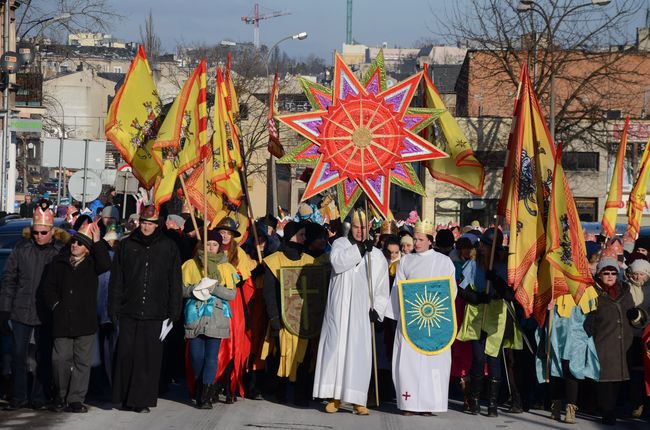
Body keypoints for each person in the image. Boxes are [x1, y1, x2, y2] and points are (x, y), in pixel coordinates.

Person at [312, 210, 390, 415]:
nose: (359, 231)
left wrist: (378, 309)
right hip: (339, 308)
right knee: (336, 349)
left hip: (360, 311)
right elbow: (338, 263)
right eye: (356, 227)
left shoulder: (377, 254)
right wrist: (360, 249)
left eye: (363, 228)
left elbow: (381, 285)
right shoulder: (340, 244)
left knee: (358, 352)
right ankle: (335, 396)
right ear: (351, 228)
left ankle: (357, 399)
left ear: (369, 229)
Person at [108, 205, 182, 413]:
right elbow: (117, 280)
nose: (146, 227)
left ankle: (141, 401)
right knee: (126, 355)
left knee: (147, 359)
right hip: (129, 310)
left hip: (155, 312)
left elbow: (174, 281)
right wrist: (113, 308)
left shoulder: (168, 247)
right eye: (143, 223)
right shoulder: (126, 245)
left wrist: (173, 312)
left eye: (150, 223)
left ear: (157, 224)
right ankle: (122, 397)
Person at [0, 203, 70, 410]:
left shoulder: (59, 253)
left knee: (44, 357)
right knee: (18, 356)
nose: (38, 236)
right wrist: (4, 310)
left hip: (46, 314)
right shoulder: (21, 250)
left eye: (43, 232)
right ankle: (19, 396)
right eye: (35, 232)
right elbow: (9, 280)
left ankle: (40, 396)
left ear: (52, 232)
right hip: (21, 311)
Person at [385, 219, 456, 415]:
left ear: (430, 240)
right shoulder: (406, 261)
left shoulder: (444, 262)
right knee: (410, 364)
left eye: (420, 239)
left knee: (433, 363)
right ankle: (410, 404)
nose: (416, 243)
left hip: (435, 321)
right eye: (414, 239)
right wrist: (396, 316)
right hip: (411, 321)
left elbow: (451, 292)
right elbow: (398, 288)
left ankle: (430, 404)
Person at [42, 222, 111, 413]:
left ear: (87, 249)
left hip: (85, 320)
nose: (74, 245)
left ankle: (75, 399)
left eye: (80, 244)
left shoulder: (92, 264)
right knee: (60, 359)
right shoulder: (59, 262)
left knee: (82, 362)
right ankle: (60, 395)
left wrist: (97, 242)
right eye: (73, 242)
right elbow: (48, 288)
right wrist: (56, 305)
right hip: (63, 320)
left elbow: (106, 264)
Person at [456, 228, 523, 417]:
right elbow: (461, 290)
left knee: (494, 359)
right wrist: (477, 297)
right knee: (478, 358)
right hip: (477, 315)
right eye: (483, 245)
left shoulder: (504, 266)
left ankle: (492, 405)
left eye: (488, 246)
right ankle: (475, 400)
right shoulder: (472, 263)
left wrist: (496, 280)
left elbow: (510, 294)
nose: (484, 249)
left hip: (497, 317)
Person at [262, 221, 327, 406]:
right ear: (291, 235)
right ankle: (279, 392)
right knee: (282, 356)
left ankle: (301, 394)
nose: (305, 238)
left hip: (306, 320)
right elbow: (269, 293)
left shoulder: (310, 261)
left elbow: (318, 293)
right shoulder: (274, 260)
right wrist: (274, 318)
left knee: (304, 358)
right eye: (302, 234)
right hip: (283, 320)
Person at [182, 230, 238, 409]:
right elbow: (181, 290)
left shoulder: (226, 267)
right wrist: (196, 288)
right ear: (202, 245)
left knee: (211, 357)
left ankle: (206, 395)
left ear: (219, 246)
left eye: (214, 244)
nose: (211, 248)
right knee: (196, 356)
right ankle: (200, 387)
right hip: (195, 315)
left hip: (217, 315)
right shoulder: (190, 265)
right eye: (208, 244)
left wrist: (213, 288)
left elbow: (231, 294)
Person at [537, 268, 600, 424]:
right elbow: (539, 305)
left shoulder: (586, 285)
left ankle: (571, 409)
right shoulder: (553, 282)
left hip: (577, 332)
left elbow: (593, 309)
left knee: (573, 368)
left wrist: (589, 326)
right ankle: (556, 405)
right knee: (555, 368)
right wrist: (546, 306)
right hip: (557, 330)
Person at [585, 256, 636, 425]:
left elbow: (634, 313)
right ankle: (607, 411)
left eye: (613, 272)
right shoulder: (593, 292)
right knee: (605, 381)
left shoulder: (625, 290)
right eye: (606, 272)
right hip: (603, 342)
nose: (610, 276)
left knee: (618, 381)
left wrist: (638, 317)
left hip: (624, 343)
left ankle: (612, 408)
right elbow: (586, 317)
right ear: (599, 274)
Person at [214, 217, 257, 403]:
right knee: (215, 344)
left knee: (232, 343)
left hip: (232, 301)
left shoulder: (238, 253)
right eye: (222, 232)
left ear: (233, 236)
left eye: (228, 233)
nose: (224, 236)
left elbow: (243, 278)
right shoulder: (208, 247)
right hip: (212, 299)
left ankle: (230, 384)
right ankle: (212, 385)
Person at [626, 258, 650, 418]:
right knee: (633, 372)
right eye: (635, 274)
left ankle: (645, 404)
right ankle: (636, 403)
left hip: (647, 336)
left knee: (646, 372)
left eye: (641, 274)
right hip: (630, 336)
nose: (638, 277)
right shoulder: (626, 287)